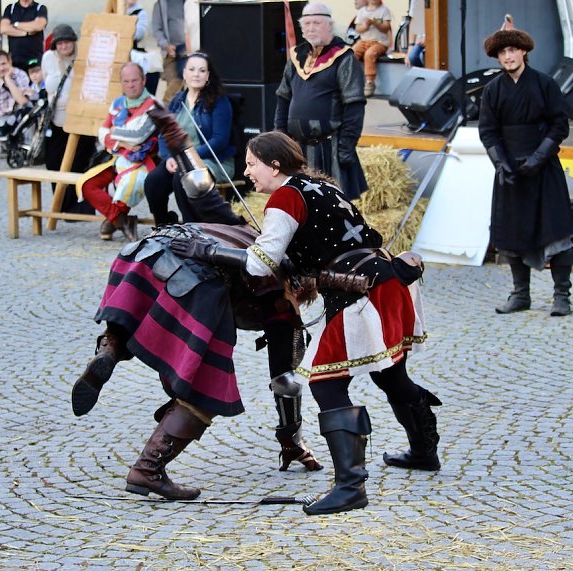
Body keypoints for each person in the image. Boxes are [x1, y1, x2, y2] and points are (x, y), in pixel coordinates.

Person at [168, 131, 440, 515]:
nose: (247, 173)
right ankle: (424, 452)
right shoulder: (320, 186)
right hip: (387, 279)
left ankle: (350, 487)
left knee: (327, 382)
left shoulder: (284, 197)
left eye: (252, 164)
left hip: (361, 292)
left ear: (275, 165)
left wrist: (208, 250)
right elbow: (327, 242)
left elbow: (259, 263)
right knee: (390, 374)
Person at [71, 220, 322, 500]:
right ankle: (148, 469)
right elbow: (286, 381)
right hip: (198, 277)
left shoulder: (246, 233)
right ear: (302, 288)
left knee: (138, 316)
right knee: (207, 386)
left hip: (143, 251)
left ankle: (110, 349)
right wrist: (291, 440)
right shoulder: (283, 293)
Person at [478, 22, 573, 317]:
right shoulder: (493, 90)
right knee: (511, 234)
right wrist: (501, 164)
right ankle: (521, 294)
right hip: (510, 172)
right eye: (502, 53)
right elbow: (488, 131)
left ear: (523, 51)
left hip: (543, 168)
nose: (508, 56)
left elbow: (560, 124)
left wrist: (538, 158)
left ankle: (562, 296)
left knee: (555, 231)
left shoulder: (545, 84)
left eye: (512, 50)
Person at [274, 2, 368, 200]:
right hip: (297, 148)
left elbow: (354, 105)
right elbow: (283, 98)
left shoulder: (343, 57)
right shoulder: (296, 57)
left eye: (316, 22)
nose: (310, 28)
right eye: (306, 23)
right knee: (300, 204)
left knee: (332, 205)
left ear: (329, 25)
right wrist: (279, 138)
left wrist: (346, 147)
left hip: (330, 148)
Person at [142, 51, 241, 227]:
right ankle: (163, 225)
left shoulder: (219, 101)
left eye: (202, 70)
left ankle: (192, 228)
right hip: (180, 160)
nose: (196, 74)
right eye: (192, 69)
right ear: (184, 73)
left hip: (212, 160)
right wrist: (169, 158)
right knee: (153, 181)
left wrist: (188, 157)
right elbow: (164, 133)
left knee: (184, 177)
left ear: (208, 75)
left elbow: (219, 141)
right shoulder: (177, 100)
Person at [78, 62, 159, 242]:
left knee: (130, 186)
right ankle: (123, 221)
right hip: (116, 158)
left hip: (142, 162)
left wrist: (114, 133)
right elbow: (101, 133)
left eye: (134, 80)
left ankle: (112, 221)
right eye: (126, 81)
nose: (130, 85)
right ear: (121, 83)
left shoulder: (154, 106)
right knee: (87, 185)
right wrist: (122, 143)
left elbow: (139, 136)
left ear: (144, 80)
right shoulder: (117, 103)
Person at [40, 23, 96, 215]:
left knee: (80, 162)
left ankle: (80, 207)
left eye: (67, 42)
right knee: (54, 161)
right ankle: (61, 205)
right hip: (56, 118)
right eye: (60, 43)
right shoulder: (48, 58)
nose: (64, 46)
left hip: (80, 118)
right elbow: (46, 82)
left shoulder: (82, 58)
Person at [352, 0, 392, 97]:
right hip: (364, 41)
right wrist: (365, 27)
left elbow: (386, 27)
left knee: (370, 54)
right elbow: (357, 28)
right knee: (352, 53)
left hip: (379, 42)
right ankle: (351, 78)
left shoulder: (384, 10)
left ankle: (370, 82)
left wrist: (375, 23)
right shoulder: (362, 11)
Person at [151, 0, 187, 105]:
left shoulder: (189, 3)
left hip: (188, 50)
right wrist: (166, 46)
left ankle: (164, 109)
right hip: (170, 52)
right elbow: (156, 29)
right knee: (173, 83)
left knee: (183, 75)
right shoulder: (160, 5)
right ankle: (166, 110)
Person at [0, 0, 47, 73]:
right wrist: (27, 32)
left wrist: (16, 24)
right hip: (15, 59)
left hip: (34, 59)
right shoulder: (10, 8)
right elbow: (4, 29)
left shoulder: (40, 8)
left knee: (35, 83)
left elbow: (39, 26)